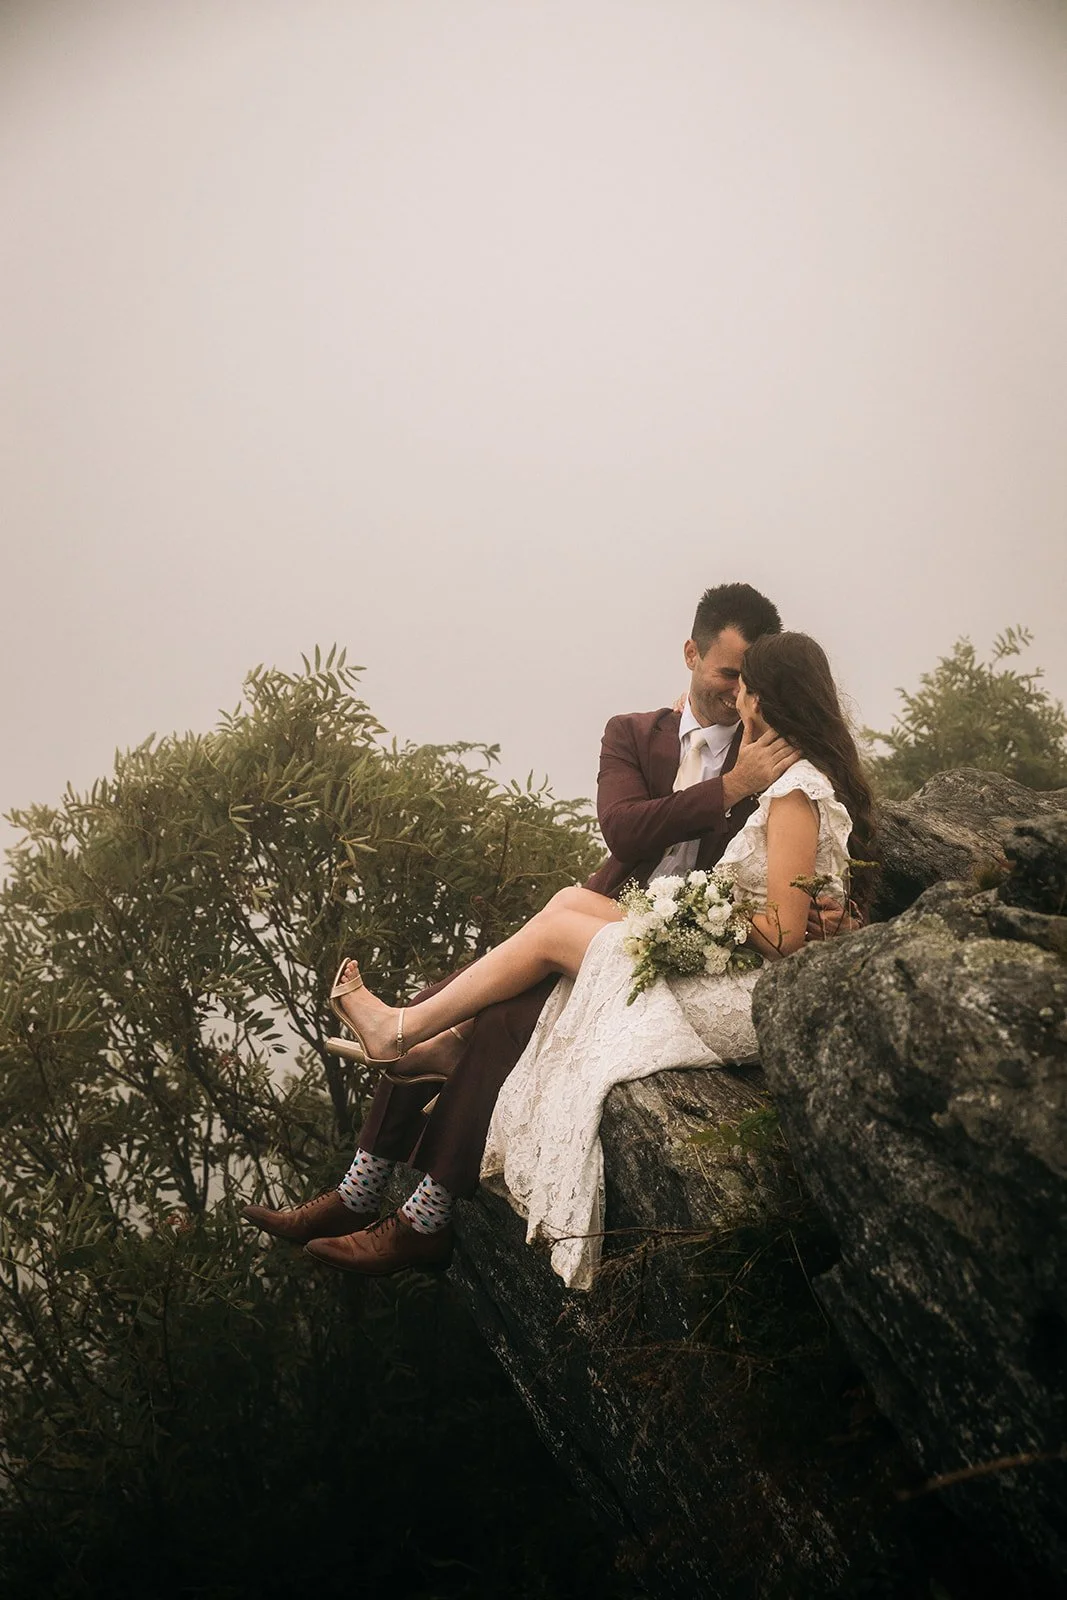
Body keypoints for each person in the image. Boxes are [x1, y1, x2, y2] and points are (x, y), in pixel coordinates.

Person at [242, 586, 844, 1272]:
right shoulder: (634, 733)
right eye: (726, 673)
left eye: (746, 679)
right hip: (614, 917)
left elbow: (811, 851)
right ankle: (359, 1189)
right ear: (691, 654)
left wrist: (835, 909)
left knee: (499, 1022)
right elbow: (623, 829)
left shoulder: (771, 758)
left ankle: (424, 1217)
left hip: (675, 947)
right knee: (444, 998)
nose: (735, 692)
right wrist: (727, 788)